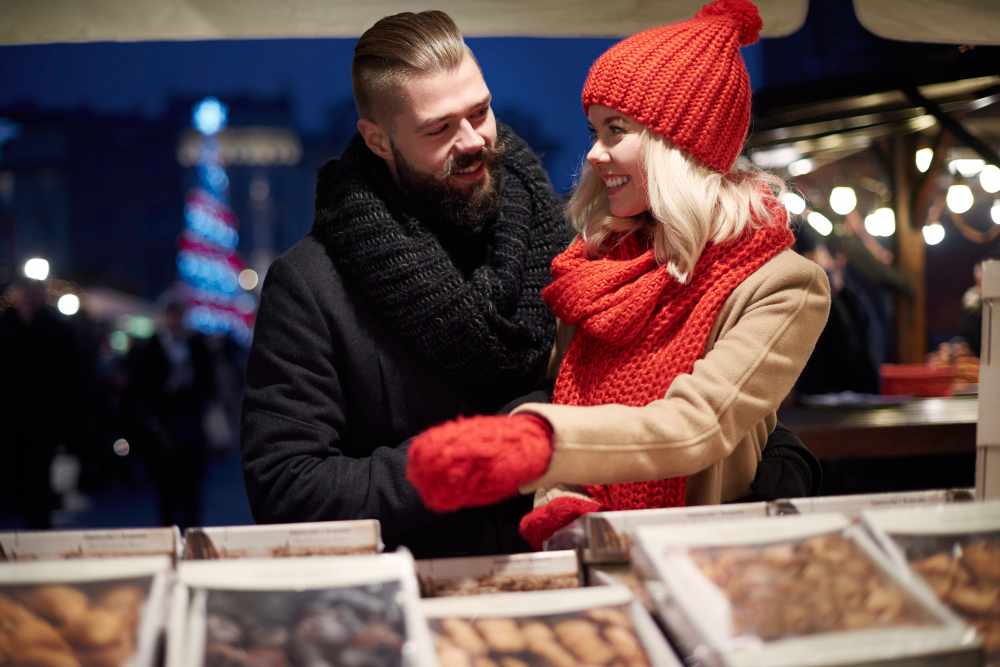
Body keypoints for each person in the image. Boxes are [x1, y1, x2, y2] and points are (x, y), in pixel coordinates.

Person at [242, 8, 822, 558]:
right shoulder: (313, 284)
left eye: (479, 111)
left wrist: (778, 466)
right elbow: (288, 487)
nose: (471, 139)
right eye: (439, 128)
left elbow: (696, 391)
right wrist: (482, 454)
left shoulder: (568, 244)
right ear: (378, 140)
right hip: (429, 580)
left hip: (590, 566)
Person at [406, 0, 832, 549]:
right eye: (594, 130)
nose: (594, 154)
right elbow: (573, 400)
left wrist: (538, 441)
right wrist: (559, 501)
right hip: (596, 559)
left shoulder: (782, 283)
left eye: (615, 130)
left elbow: (697, 424)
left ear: (679, 143)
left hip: (710, 561)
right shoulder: (596, 269)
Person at [0, 276, 84, 528]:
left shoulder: (55, 328)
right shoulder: (6, 325)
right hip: (9, 415)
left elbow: (71, 374)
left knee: (39, 477)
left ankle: (39, 527)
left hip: (43, 417)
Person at [125, 293, 214, 529]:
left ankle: (192, 535)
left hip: (190, 421)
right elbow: (139, 386)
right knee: (165, 491)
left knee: (192, 491)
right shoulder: (151, 346)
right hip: (162, 424)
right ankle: (168, 536)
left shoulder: (196, 344)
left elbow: (208, 382)